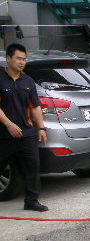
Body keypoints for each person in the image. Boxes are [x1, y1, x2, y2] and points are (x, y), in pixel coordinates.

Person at [0, 43, 48, 211]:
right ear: (8, 58)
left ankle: (31, 201)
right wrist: (9, 124)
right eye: (18, 58)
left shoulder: (28, 81)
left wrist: (41, 128)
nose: (22, 62)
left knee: (32, 166)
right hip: (3, 134)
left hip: (26, 133)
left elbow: (35, 107)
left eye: (24, 59)